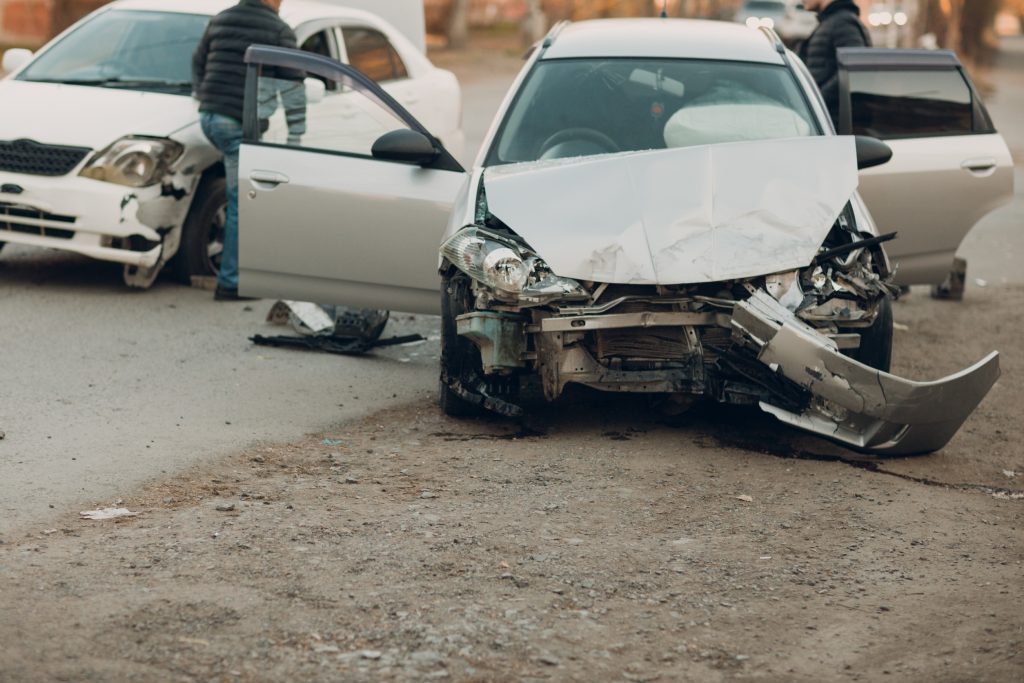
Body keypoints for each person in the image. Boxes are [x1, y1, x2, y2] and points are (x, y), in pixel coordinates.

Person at [192, 0, 303, 301]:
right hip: (236, 124)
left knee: (237, 194)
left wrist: (204, 95)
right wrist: (297, 135)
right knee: (243, 200)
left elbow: (197, 62)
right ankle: (230, 283)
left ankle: (235, 270)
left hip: (209, 117)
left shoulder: (221, 19)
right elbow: (293, 88)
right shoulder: (279, 30)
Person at [799, 0, 872, 128]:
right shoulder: (830, 22)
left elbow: (854, 69)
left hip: (836, 123)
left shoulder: (843, 23)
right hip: (827, 120)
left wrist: (817, 100)